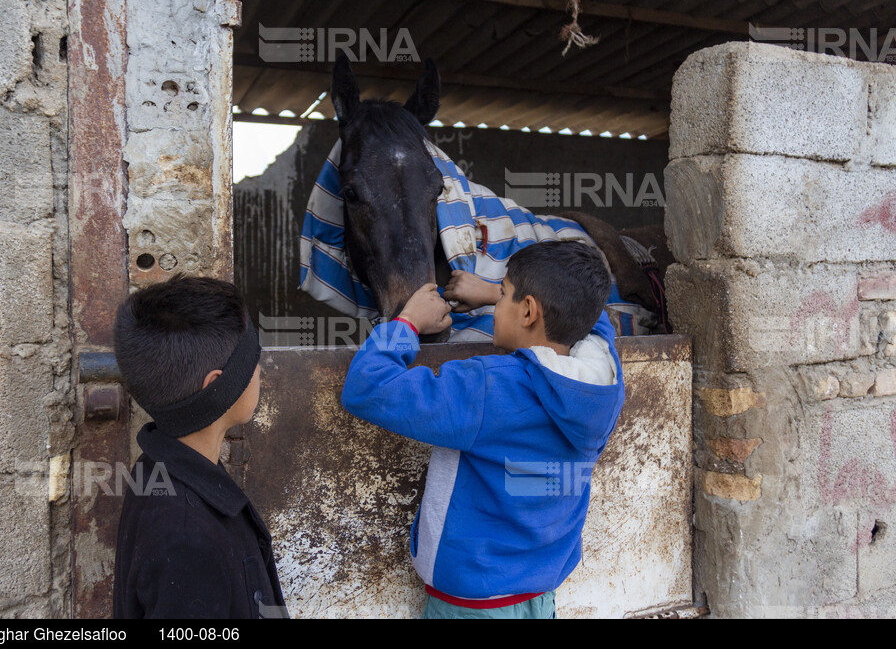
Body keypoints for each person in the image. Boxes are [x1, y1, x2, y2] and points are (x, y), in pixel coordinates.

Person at [341, 241, 625, 619]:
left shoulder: (488, 388)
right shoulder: (604, 382)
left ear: (527, 311)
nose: (495, 305)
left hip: (472, 605)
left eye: (504, 295)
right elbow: (595, 316)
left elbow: (367, 387)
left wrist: (408, 322)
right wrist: (497, 293)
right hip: (540, 598)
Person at [111, 274, 287, 619]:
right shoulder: (188, 540)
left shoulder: (158, 469)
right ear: (218, 388)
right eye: (253, 362)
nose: (260, 373)